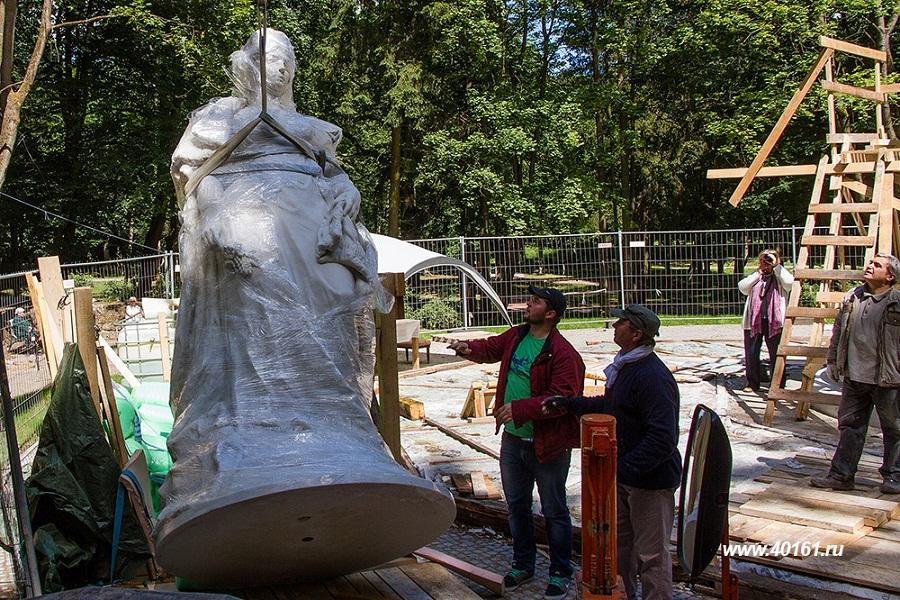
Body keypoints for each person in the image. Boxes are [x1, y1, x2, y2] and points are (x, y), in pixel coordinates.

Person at [449, 286, 584, 600]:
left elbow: (562, 399)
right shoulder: (517, 336)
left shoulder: (563, 354)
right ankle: (523, 565)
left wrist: (520, 410)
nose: (528, 304)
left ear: (551, 314)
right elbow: (490, 347)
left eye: (536, 302)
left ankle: (561, 572)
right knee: (517, 507)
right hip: (513, 440)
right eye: (530, 300)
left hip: (547, 445)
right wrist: (467, 348)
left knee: (554, 510)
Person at [542, 305, 681, 600]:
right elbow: (611, 405)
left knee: (652, 557)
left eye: (621, 322)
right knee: (620, 550)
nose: (615, 326)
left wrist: (623, 468)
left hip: (650, 482)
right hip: (627, 476)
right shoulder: (627, 366)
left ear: (636, 333)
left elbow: (663, 437)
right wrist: (570, 404)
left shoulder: (652, 377)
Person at [811, 253, 900, 495]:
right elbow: (838, 331)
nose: (869, 266)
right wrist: (832, 360)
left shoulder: (897, 302)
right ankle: (841, 476)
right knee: (850, 427)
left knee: (894, 429)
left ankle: (894, 477)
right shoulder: (853, 297)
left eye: (877, 265)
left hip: (888, 379)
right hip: (855, 376)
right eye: (871, 262)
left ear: (890, 276)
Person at [738, 248, 793, 392]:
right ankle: (752, 383)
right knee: (751, 352)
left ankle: (777, 384)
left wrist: (776, 267)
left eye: (770, 258)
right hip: (754, 321)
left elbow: (790, 284)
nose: (767, 261)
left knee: (776, 353)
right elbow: (742, 287)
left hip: (774, 322)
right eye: (764, 258)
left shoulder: (780, 276)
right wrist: (759, 271)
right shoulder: (757, 276)